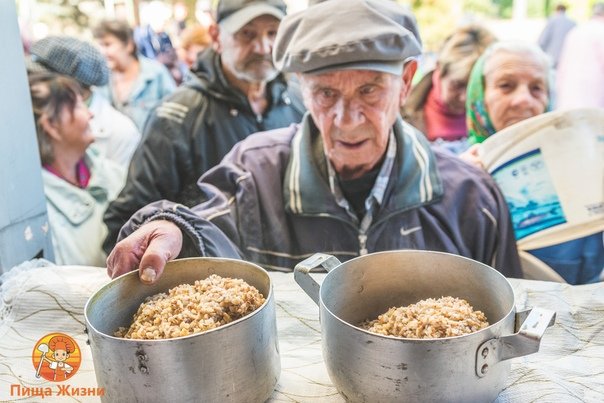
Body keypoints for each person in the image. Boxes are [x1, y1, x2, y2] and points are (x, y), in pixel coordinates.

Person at [106, 0, 521, 284]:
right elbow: (209, 228)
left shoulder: (472, 198)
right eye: (325, 94)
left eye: (369, 91)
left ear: (406, 82)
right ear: (301, 89)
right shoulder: (256, 172)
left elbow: (508, 313)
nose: (345, 119)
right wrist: (171, 228)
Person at [102, 0, 305, 253]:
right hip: (213, 278)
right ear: (216, 36)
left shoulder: (300, 101)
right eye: (247, 33)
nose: (263, 47)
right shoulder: (177, 118)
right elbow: (129, 222)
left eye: (273, 33)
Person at [463, 42, 603, 284]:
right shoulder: (449, 167)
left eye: (537, 88)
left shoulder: (580, 161)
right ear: (479, 97)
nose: (523, 100)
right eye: (506, 86)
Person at [29, 73, 125, 266]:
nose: (90, 113)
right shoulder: (38, 212)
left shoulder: (110, 172)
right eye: (79, 105)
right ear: (52, 125)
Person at [26, 36, 141, 170]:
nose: (32, 83)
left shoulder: (121, 132)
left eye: (41, 80)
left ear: (72, 87)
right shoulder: (36, 114)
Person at [402, 24, 496, 153]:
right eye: (457, 85)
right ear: (439, 69)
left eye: (474, 88)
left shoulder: (494, 118)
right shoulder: (400, 108)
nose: (464, 98)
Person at [93, 20, 176, 131]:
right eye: (100, 45)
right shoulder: (101, 80)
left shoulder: (155, 74)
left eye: (108, 44)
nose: (103, 51)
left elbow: (173, 117)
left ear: (129, 45)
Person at [556, 3, 604, 109]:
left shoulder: (576, 30)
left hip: (568, 91)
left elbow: (562, 63)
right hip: (593, 93)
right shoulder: (601, 31)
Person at [538, 3, 576, 68]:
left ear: (556, 10)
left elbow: (542, 40)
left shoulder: (552, 20)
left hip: (552, 56)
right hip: (567, 57)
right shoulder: (573, 22)